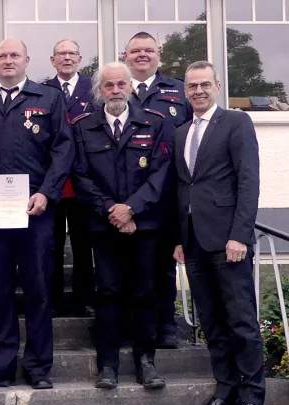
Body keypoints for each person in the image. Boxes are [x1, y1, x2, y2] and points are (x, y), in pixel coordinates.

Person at [0, 39, 73, 390]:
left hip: (35, 211)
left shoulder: (48, 98)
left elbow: (64, 149)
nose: (7, 61)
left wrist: (47, 193)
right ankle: (0, 366)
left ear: (27, 60)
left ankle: (38, 367)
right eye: (2, 56)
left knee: (38, 288)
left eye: (14, 56)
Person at [71, 62, 172, 390]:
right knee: (109, 293)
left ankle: (146, 362)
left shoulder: (155, 124)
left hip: (144, 225)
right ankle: (108, 365)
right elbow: (80, 175)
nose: (115, 90)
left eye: (120, 84)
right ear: (99, 91)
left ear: (130, 87)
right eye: (108, 85)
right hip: (103, 226)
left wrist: (131, 209)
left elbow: (161, 174)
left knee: (144, 292)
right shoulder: (83, 126)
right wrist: (111, 210)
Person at [174, 61, 264, 405]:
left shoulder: (236, 123)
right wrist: (179, 240)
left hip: (228, 241)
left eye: (204, 85)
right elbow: (182, 188)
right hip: (193, 242)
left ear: (217, 87)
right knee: (212, 323)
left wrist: (240, 235)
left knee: (241, 321)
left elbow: (248, 181)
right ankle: (225, 393)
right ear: (185, 91)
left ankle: (252, 400)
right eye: (192, 86)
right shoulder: (181, 132)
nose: (198, 91)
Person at [123, 31, 191, 349]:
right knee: (126, 265)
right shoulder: (116, 89)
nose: (142, 55)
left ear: (159, 54)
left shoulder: (179, 91)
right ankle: (130, 325)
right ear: (125, 56)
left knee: (163, 266)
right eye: (135, 50)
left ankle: (165, 325)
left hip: (166, 195)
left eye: (148, 50)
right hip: (125, 194)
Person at [43, 39, 96, 318]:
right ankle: (52, 299)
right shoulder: (43, 90)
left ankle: (82, 299)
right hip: (52, 180)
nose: (66, 58)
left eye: (71, 53)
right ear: (52, 60)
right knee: (50, 244)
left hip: (83, 180)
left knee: (82, 244)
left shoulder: (95, 88)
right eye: (61, 53)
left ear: (80, 58)